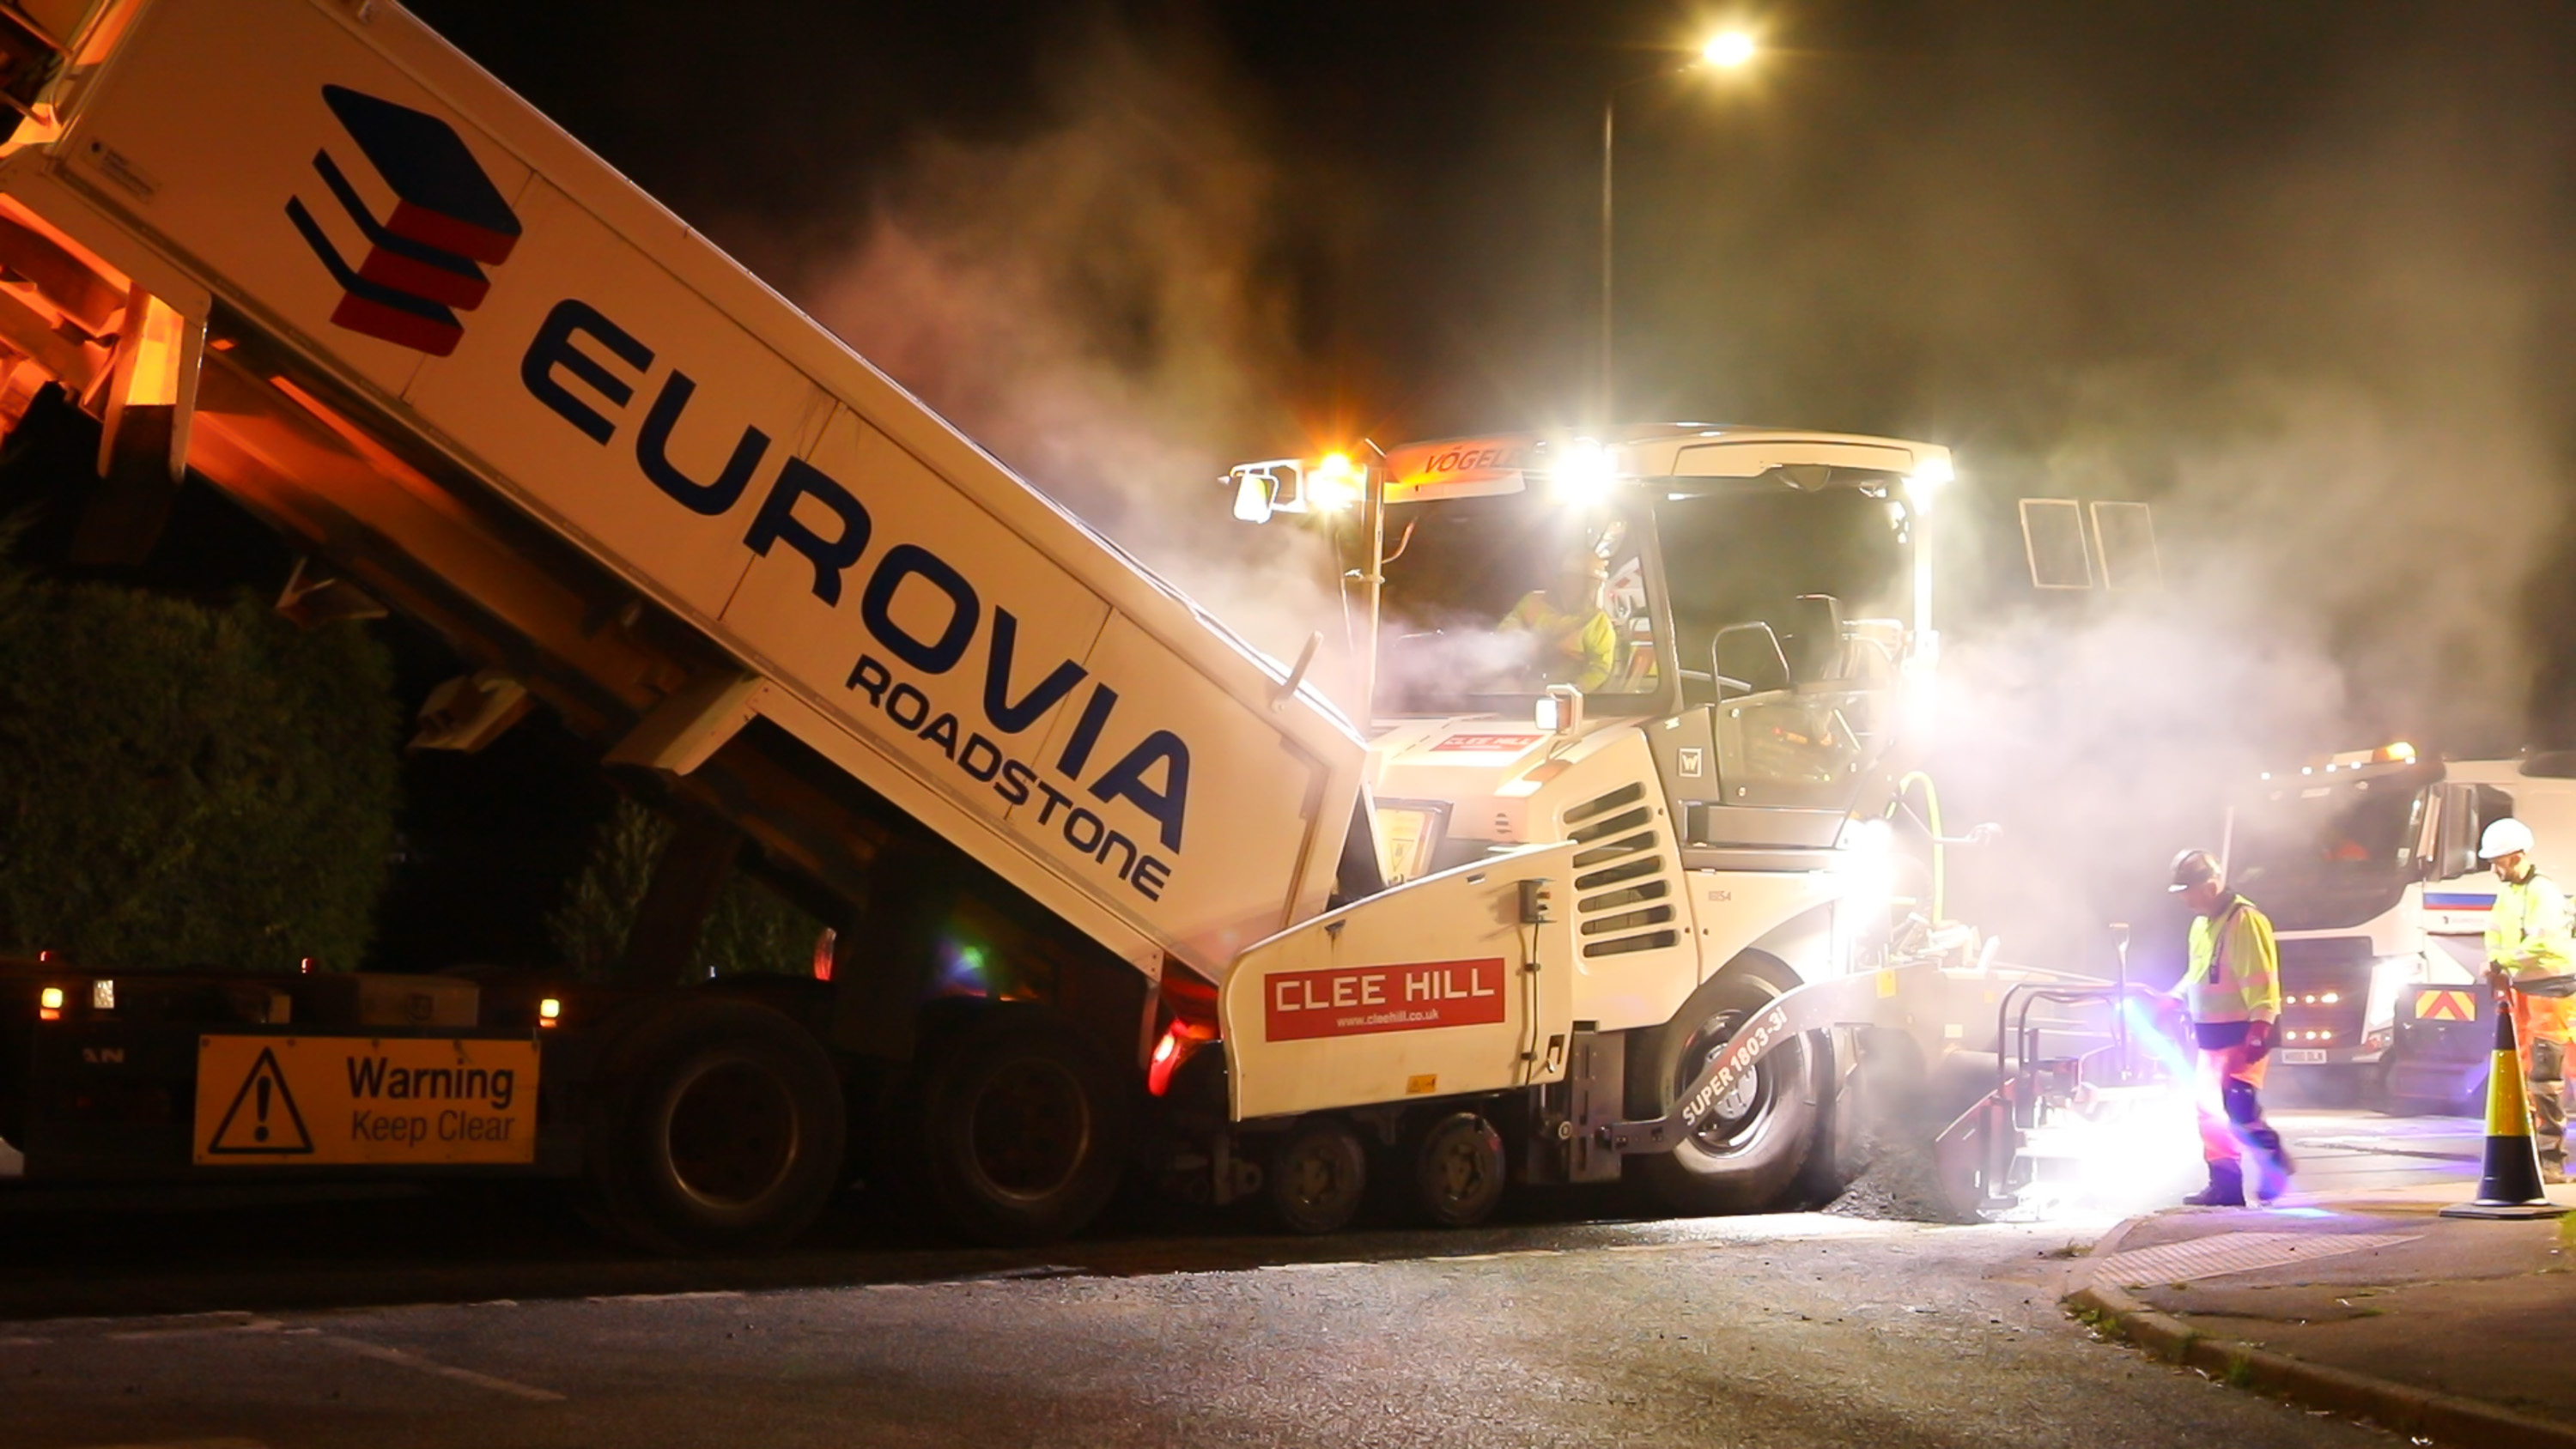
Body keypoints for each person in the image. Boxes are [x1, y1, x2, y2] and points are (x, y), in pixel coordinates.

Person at [2167, 848, 2293, 1205]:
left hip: (2243, 1032)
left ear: (2210, 885)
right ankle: (2224, 1186)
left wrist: (2260, 1027)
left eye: (2188, 890)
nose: (2185, 899)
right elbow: (2198, 975)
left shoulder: (2245, 920)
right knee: (2209, 1111)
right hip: (2211, 1035)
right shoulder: (2202, 924)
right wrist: (2172, 998)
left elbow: (2263, 979)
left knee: (2239, 1108)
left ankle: (2273, 1167)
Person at [2477, 816, 2575, 1182]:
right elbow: (2494, 933)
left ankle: (2551, 1161)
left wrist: (2502, 961)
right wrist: (2494, 964)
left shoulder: (2542, 892)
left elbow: (2545, 941)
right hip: (2524, 990)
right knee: (2526, 1076)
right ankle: (2536, 1157)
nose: (2493, 867)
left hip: (2551, 991)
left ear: (2516, 856)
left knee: (2546, 1079)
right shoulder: (2511, 893)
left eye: (2497, 860)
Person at [1500, 545, 1614, 692]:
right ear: (1562, 581)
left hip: (1568, 698)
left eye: (1589, 584)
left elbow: (1601, 668)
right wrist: (1522, 641)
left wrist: (1574, 688)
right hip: (1523, 689)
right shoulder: (1533, 602)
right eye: (1574, 581)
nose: (1578, 588)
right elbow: (1506, 630)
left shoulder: (1598, 623)